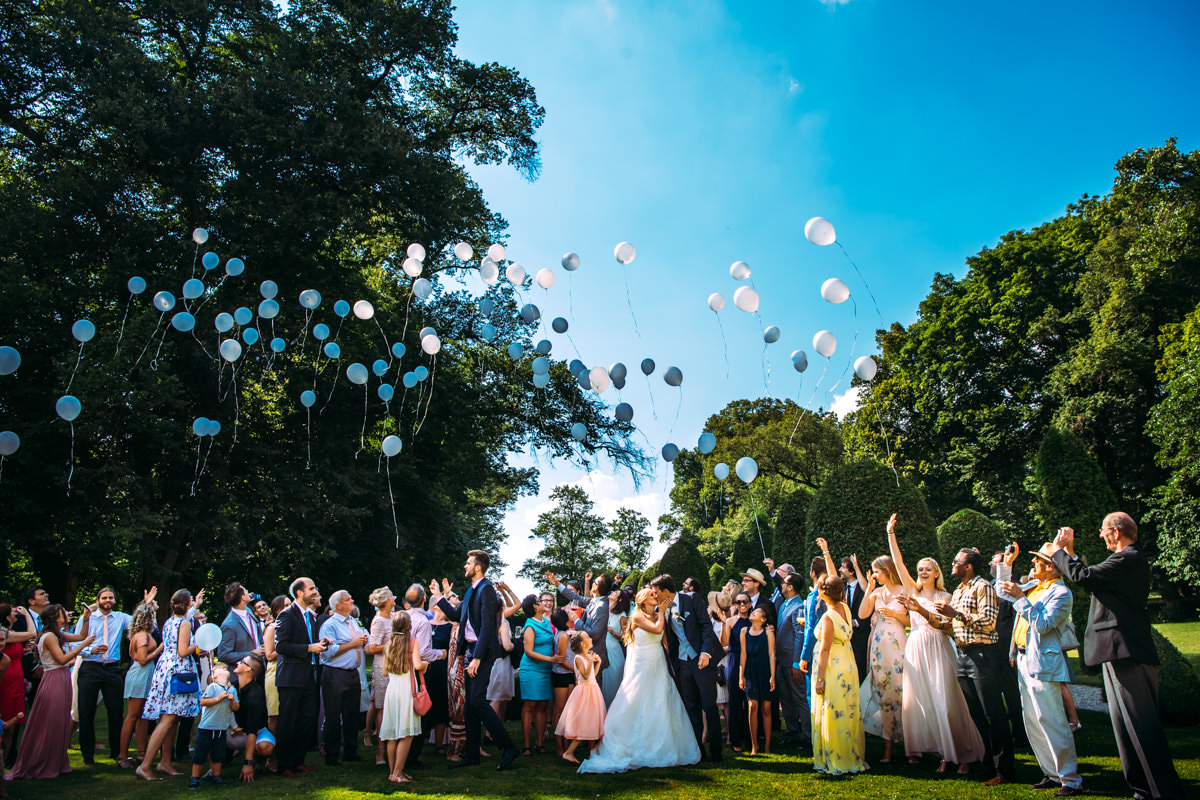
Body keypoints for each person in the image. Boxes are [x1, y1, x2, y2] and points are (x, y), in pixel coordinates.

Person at [1050, 514, 1185, 800]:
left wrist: (1059, 551)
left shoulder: (1129, 558)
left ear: (1115, 531)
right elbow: (1093, 578)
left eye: (1103, 531)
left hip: (1127, 650)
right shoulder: (1125, 561)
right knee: (1124, 725)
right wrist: (1070, 554)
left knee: (1141, 724)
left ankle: (1163, 791)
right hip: (1118, 649)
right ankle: (1142, 790)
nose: (1101, 536)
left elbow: (1084, 577)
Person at [886, 514, 983, 773]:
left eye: (928, 568)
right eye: (920, 569)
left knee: (947, 702)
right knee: (923, 704)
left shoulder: (947, 596)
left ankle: (963, 754)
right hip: (916, 649)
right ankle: (943, 754)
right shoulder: (912, 592)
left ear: (937, 573)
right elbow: (899, 563)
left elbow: (951, 627)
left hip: (938, 649)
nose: (923, 572)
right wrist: (890, 534)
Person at [577, 586, 702, 773]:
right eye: (652, 595)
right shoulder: (636, 615)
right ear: (643, 599)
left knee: (661, 700)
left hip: (658, 661)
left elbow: (664, 638)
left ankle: (665, 742)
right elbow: (657, 628)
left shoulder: (657, 614)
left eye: (656, 594)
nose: (656, 596)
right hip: (642, 664)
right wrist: (663, 612)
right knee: (638, 699)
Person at [998, 543, 1082, 797]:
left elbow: (1044, 624)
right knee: (1033, 721)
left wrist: (1021, 599)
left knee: (1053, 720)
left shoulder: (1061, 593)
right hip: (1024, 660)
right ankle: (1052, 773)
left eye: (1037, 561)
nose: (1032, 564)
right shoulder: (1034, 586)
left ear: (1050, 566)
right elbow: (1002, 593)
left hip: (1044, 662)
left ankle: (1070, 779)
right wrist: (1007, 565)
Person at [934, 547, 1014, 786]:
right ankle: (988, 765)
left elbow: (989, 623)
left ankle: (1005, 771)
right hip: (963, 655)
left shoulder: (983, 587)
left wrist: (955, 613)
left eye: (956, 561)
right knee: (977, 716)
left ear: (968, 567)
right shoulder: (959, 590)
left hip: (983, 656)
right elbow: (953, 625)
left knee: (993, 715)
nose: (952, 564)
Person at [434, 550, 519, 770]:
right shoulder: (471, 591)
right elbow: (455, 617)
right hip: (470, 650)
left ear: (478, 567)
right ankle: (471, 755)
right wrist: (439, 597)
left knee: (477, 701)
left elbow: (489, 628)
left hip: (482, 652)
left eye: (468, 563)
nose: (465, 566)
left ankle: (508, 747)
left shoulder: (487, 591)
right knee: (470, 706)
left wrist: (478, 658)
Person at [4, 603, 94, 779]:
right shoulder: (49, 636)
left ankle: (57, 761)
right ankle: (42, 761)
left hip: (60, 678)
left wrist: (86, 619)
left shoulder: (57, 634)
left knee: (60, 720)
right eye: (63, 613)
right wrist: (82, 647)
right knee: (50, 721)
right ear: (55, 617)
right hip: (53, 679)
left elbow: (81, 635)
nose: (66, 615)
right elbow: (61, 660)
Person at [810, 537, 867, 775]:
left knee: (833, 712)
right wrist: (826, 552)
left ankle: (836, 758)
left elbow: (824, 650)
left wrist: (820, 678)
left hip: (832, 667)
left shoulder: (827, 617)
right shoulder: (844, 608)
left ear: (823, 594)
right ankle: (851, 754)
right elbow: (833, 580)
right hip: (848, 664)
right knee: (849, 710)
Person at [653, 574, 723, 763]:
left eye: (656, 592)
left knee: (709, 705)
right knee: (690, 706)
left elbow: (706, 626)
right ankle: (697, 751)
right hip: (683, 663)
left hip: (702, 660)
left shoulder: (691, 599)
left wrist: (706, 653)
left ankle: (717, 752)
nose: (654, 595)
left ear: (666, 591)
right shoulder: (663, 609)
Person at [136, 589, 202, 781]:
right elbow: (183, 651)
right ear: (187, 604)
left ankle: (165, 762)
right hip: (177, 672)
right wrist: (198, 645)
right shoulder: (185, 623)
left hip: (165, 668)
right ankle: (145, 765)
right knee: (168, 718)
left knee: (172, 718)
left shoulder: (170, 621)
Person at [850, 551, 907, 763]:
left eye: (876, 572)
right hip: (879, 645)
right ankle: (888, 747)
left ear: (887, 571)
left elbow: (911, 620)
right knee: (884, 694)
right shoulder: (876, 592)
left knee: (903, 693)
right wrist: (870, 590)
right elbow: (863, 615)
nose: (874, 575)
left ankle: (911, 745)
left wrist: (896, 615)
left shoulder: (904, 591)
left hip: (899, 644)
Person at [74, 586, 141, 766]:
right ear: (98, 600)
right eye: (104, 598)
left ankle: (116, 752)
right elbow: (75, 645)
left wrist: (147, 603)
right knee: (86, 712)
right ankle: (88, 756)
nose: (107, 601)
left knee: (116, 712)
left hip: (112, 669)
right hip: (90, 667)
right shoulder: (86, 619)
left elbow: (140, 621)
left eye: (110, 597)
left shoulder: (120, 618)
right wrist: (90, 650)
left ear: (114, 601)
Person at [273, 577, 330, 778]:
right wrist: (309, 648)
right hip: (291, 677)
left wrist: (321, 642)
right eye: (311, 588)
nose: (315, 592)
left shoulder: (310, 616)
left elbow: (309, 641)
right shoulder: (287, 615)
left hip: (309, 675)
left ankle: (298, 760)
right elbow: (281, 646)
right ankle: (284, 765)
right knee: (289, 721)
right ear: (299, 592)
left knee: (307, 719)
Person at [318, 589, 368, 766]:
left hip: (352, 673)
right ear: (339, 605)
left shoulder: (353, 621)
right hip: (335, 673)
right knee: (333, 715)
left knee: (352, 714)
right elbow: (327, 652)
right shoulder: (330, 625)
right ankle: (331, 754)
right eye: (348, 599)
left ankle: (350, 750)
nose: (352, 601)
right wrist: (352, 644)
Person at [379, 612, 426, 784]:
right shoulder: (413, 643)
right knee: (407, 734)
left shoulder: (389, 644)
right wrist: (426, 664)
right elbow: (419, 665)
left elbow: (384, 671)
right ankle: (398, 773)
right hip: (406, 689)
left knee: (392, 734)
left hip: (392, 690)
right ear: (409, 626)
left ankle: (393, 772)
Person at [546, 570, 611, 684]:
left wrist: (576, 620)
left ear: (596, 587)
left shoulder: (601, 607)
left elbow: (594, 634)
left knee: (592, 689)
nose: (593, 582)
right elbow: (575, 597)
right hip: (584, 654)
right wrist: (557, 583)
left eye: (594, 581)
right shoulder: (593, 602)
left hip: (593, 654)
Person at [118, 602, 162, 768]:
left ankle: (141, 752)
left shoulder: (144, 634)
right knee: (133, 715)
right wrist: (158, 650)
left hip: (147, 675)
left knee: (144, 715)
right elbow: (143, 660)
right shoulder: (142, 636)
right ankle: (122, 755)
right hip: (140, 674)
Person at [556, 632, 605, 764]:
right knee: (584, 724)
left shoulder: (587, 656)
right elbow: (585, 675)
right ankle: (568, 752)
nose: (591, 638)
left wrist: (598, 663)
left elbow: (592, 675)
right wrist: (589, 660)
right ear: (583, 644)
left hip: (593, 690)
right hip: (585, 692)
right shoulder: (578, 658)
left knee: (592, 722)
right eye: (588, 637)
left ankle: (591, 753)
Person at [773, 572, 809, 748]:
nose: (782, 585)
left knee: (800, 699)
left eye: (785, 582)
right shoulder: (784, 605)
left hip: (792, 662)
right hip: (781, 660)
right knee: (785, 700)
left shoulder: (799, 607)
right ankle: (792, 734)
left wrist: (797, 663)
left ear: (791, 586)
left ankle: (809, 738)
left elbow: (799, 636)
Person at [189, 662, 239, 788]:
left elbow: (236, 708)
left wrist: (232, 700)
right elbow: (203, 702)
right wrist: (218, 699)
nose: (224, 669)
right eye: (220, 669)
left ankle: (216, 775)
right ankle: (194, 777)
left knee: (218, 754)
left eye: (225, 668)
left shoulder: (232, 690)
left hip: (221, 728)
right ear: (215, 677)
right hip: (207, 727)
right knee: (200, 754)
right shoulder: (212, 687)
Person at [518, 593, 555, 754]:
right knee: (530, 705)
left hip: (545, 670)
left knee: (542, 705)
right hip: (532, 669)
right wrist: (551, 658)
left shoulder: (546, 622)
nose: (543, 603)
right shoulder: (530, 625)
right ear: (535, 606)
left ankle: (539, 743)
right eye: (540, 601)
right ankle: (526, 745)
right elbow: (528, 651)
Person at [0, 605, 36, 761]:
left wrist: (24, 651)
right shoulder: (4, 633)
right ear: (8, 617)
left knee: (15, 725)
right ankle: (4, 762)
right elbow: (33, 633)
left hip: (16, 684)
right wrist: (27, 615)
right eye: (13, 611)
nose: (16, 612)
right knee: (7, 726)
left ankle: (8, 761)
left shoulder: (11, 634)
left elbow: (13, 654)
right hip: (5, 683)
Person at [364, 586, 395, 763]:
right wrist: (393, 646)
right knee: (382, 708)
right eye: (391, 597)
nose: (394, 598)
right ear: (386, 601)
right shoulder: (379, 621)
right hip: (382, 666)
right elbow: (372, 648)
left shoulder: (392, 617)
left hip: (395, 666)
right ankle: (381, 751)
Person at [739, 606, 775, 755]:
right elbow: (743, 655)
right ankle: (754, 744)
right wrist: (741, 675)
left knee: (766, 708)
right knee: (752, 706)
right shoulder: (744, 632)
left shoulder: (768, 633)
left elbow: (772, 654)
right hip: (751, 671)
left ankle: (767, 744)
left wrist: (772, 676)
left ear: (763, 619)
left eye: (756, 612)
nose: (752, 612)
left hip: (765, 669)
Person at [720, 590, 751, 751]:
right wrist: (725, 624)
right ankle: (735, 739)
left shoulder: (755, 620)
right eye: (739, 602)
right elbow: (724, 642)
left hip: (751, 661)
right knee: (735, 701)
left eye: (745, 601)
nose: (742, 605)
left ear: (750, 604)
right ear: (735, 604)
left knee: (751, 701)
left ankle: (751, 736)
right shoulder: (731, 621)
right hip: (734, 659)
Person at [218, 582, 264, 672]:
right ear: (242, 597)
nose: (248, 592)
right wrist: (251, 653)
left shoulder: (248, 610)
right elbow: (224, 655)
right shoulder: (229, 624)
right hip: (243, 673)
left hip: (260, 668)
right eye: (246, 591)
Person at [839, 557, 871, 683]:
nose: (840, 570)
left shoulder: (864, 589)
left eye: (843, 567)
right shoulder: (841, 588)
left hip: (860, 636)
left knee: (860, 669)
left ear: (852, 572)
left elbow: (870, 609)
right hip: (845, 637)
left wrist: (856, 622)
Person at [549, 607, 575, 756]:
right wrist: (575, 670)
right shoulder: (563, 636)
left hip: (569, 674)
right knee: (559, 711)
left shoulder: (566, 632)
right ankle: (559, 746)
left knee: (568, 710)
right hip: (562, 674)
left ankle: (566, 742)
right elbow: (561, 660)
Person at [262, 594, 289, 737]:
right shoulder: (272, 628)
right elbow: (270, 655)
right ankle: (271, 753)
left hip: (290, 672)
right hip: (275, 672)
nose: (290, 608)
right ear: (277, 610)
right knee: (274, 714)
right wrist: (289, 647)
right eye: (286, 606)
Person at [601, 587, 633, 708]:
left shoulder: (622, 615)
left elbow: (626, 637)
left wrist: (614, 633)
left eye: (615, 593)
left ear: (619, 600)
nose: (612, 592)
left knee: (613, 683)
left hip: (614, 650)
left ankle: (614, 712)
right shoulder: (603, 609)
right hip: (601, 648)